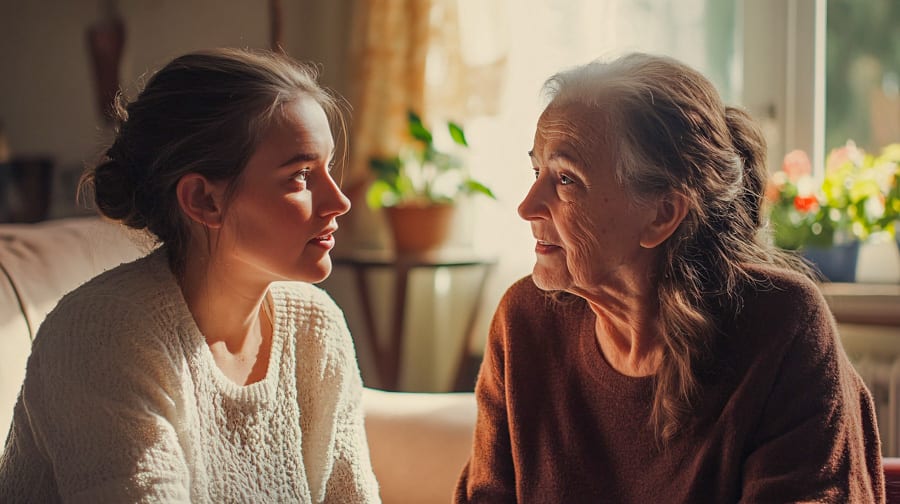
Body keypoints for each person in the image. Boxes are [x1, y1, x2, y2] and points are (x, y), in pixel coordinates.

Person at [455, 53, 885, 503]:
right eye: (535, 171)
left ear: (661, 214)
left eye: (565, 179)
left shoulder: (781, 328)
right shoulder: (523, 322)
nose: (527, 206)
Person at [0, 48, 380, 503]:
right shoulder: (104, 334)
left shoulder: (316, 327)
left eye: (328, 168)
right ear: (204, 200)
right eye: (301, 176)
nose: (340, 202)